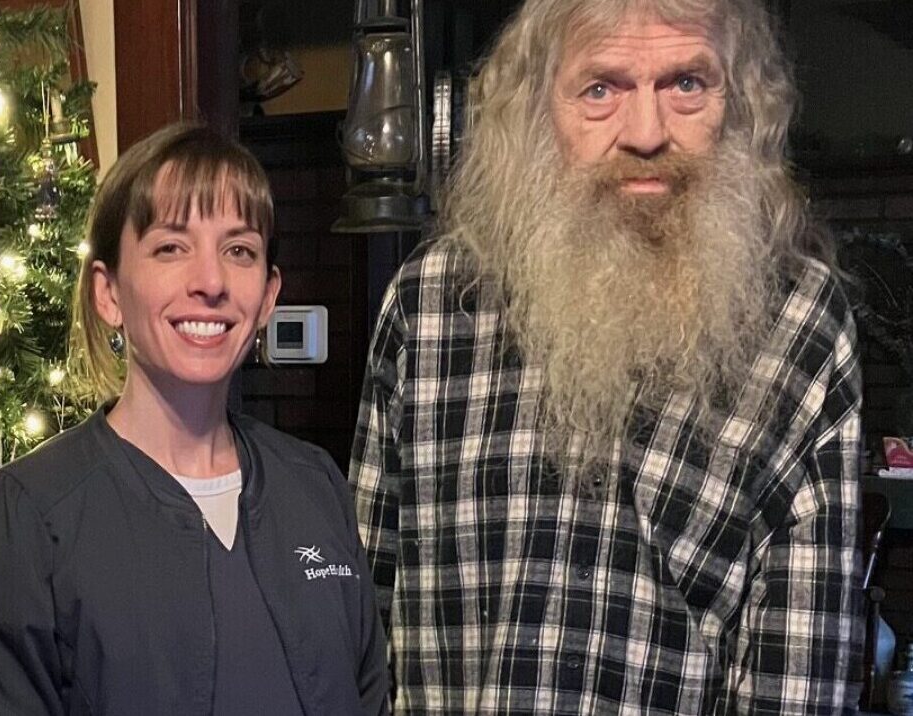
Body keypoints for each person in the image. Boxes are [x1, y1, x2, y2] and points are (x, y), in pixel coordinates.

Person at [350, 0, 863, 713]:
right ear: (536, 108)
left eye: (686, 84)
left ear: (740, 102)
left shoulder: (799, 322)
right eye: (600, 89)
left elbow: (798, 683)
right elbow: (358, 629)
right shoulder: (431, 303)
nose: (646, 134)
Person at [0, 123, 389, 715]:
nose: (211, 282)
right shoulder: (27, 515)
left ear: (267, 295)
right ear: (109, 293)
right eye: (171, 247)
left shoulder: (314, 486)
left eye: (239, 250)